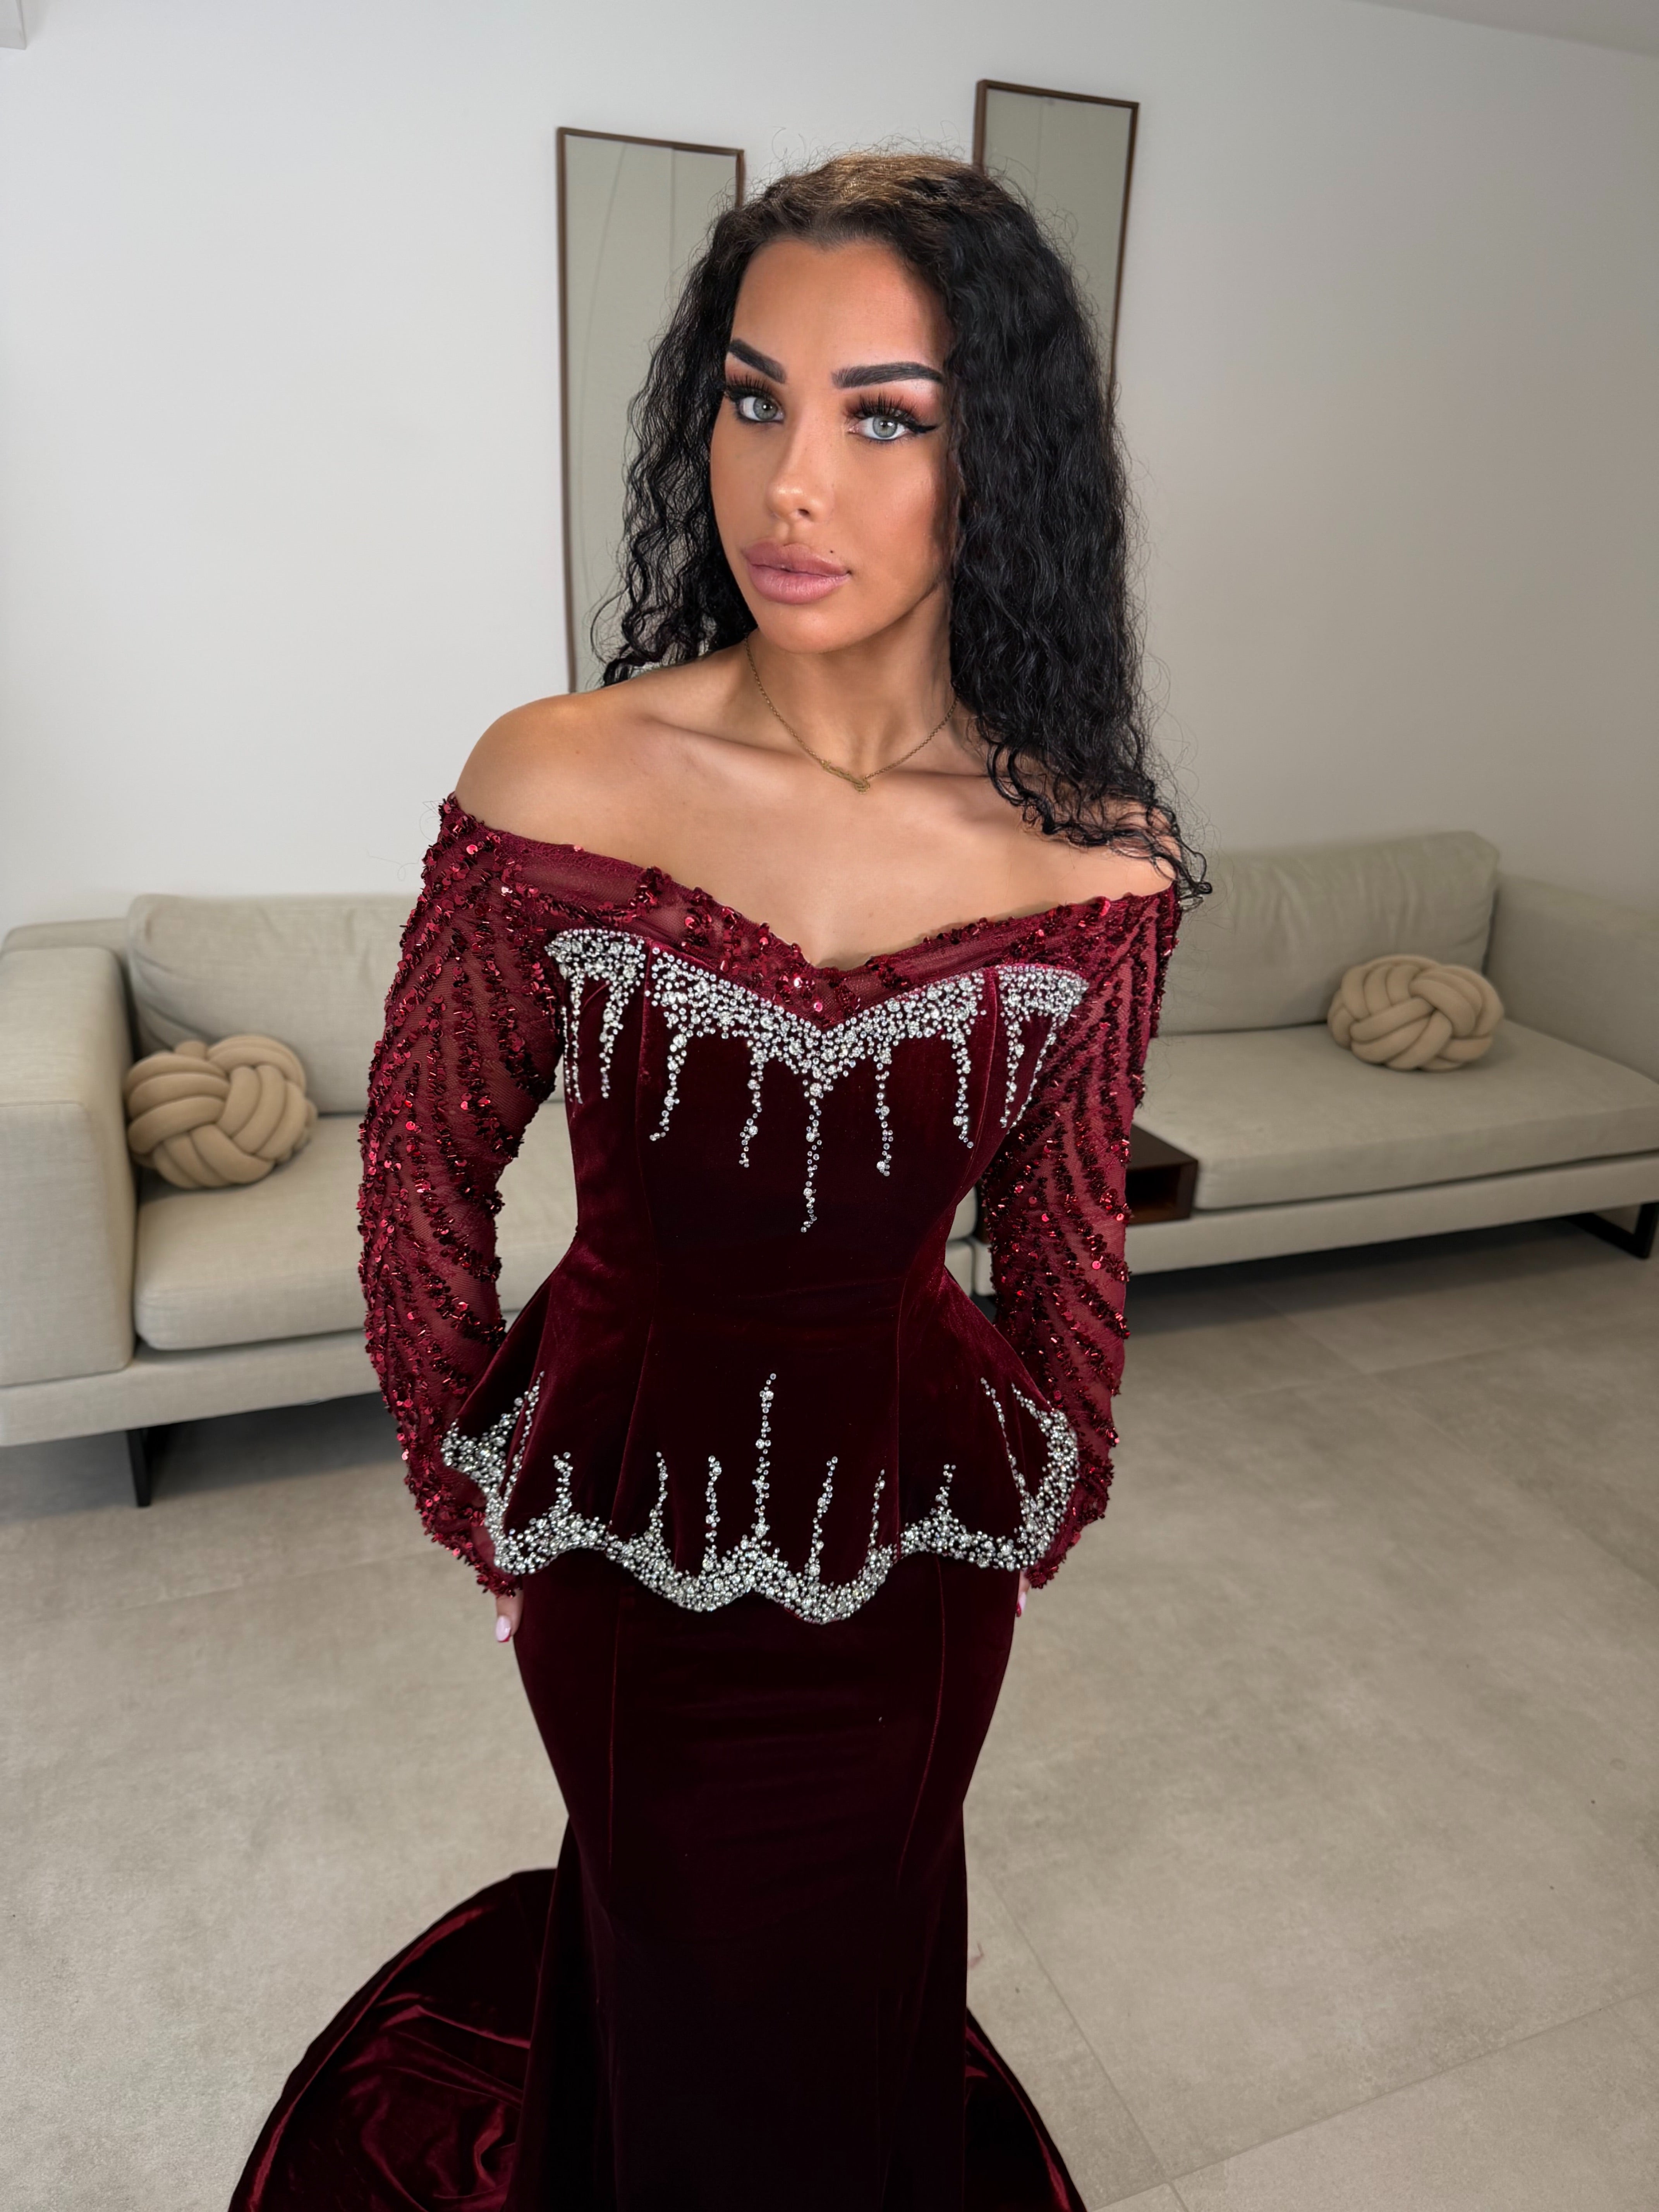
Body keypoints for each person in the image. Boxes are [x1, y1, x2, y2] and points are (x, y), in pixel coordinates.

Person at [230, 151, 1204, 2212]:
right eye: (754, 399)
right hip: (621, 1532)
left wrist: (1058, 1477)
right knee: (677, 1949)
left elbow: (1065, 1231)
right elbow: (421, 1167)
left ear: (999, 467)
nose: (793, 483)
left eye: (884, 417)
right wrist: (465, 1479)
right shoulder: (563, 773)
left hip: (925, 1542)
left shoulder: (1098, 853)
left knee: (869, 1952)